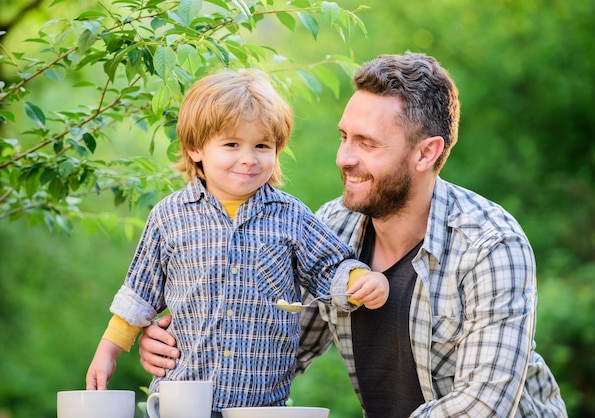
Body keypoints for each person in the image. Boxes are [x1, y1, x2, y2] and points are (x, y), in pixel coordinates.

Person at [137, 52, 568, 417]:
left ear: (426, 152)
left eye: (367, 143)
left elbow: (482, 406)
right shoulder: (332, 226)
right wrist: (180, 351)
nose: (344, 157)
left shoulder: (489, 244)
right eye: (344, 137)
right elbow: (271, 340)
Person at [85, 69, 389, 413]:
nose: (248, 158)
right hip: (184, 398)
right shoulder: (169, 217)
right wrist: (107, 351)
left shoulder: (289, 216)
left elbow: (329, 265)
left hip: (260, 403)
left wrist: (361, 280)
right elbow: (139, 294)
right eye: (232, 144)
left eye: (262, 146)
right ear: (196, 148)